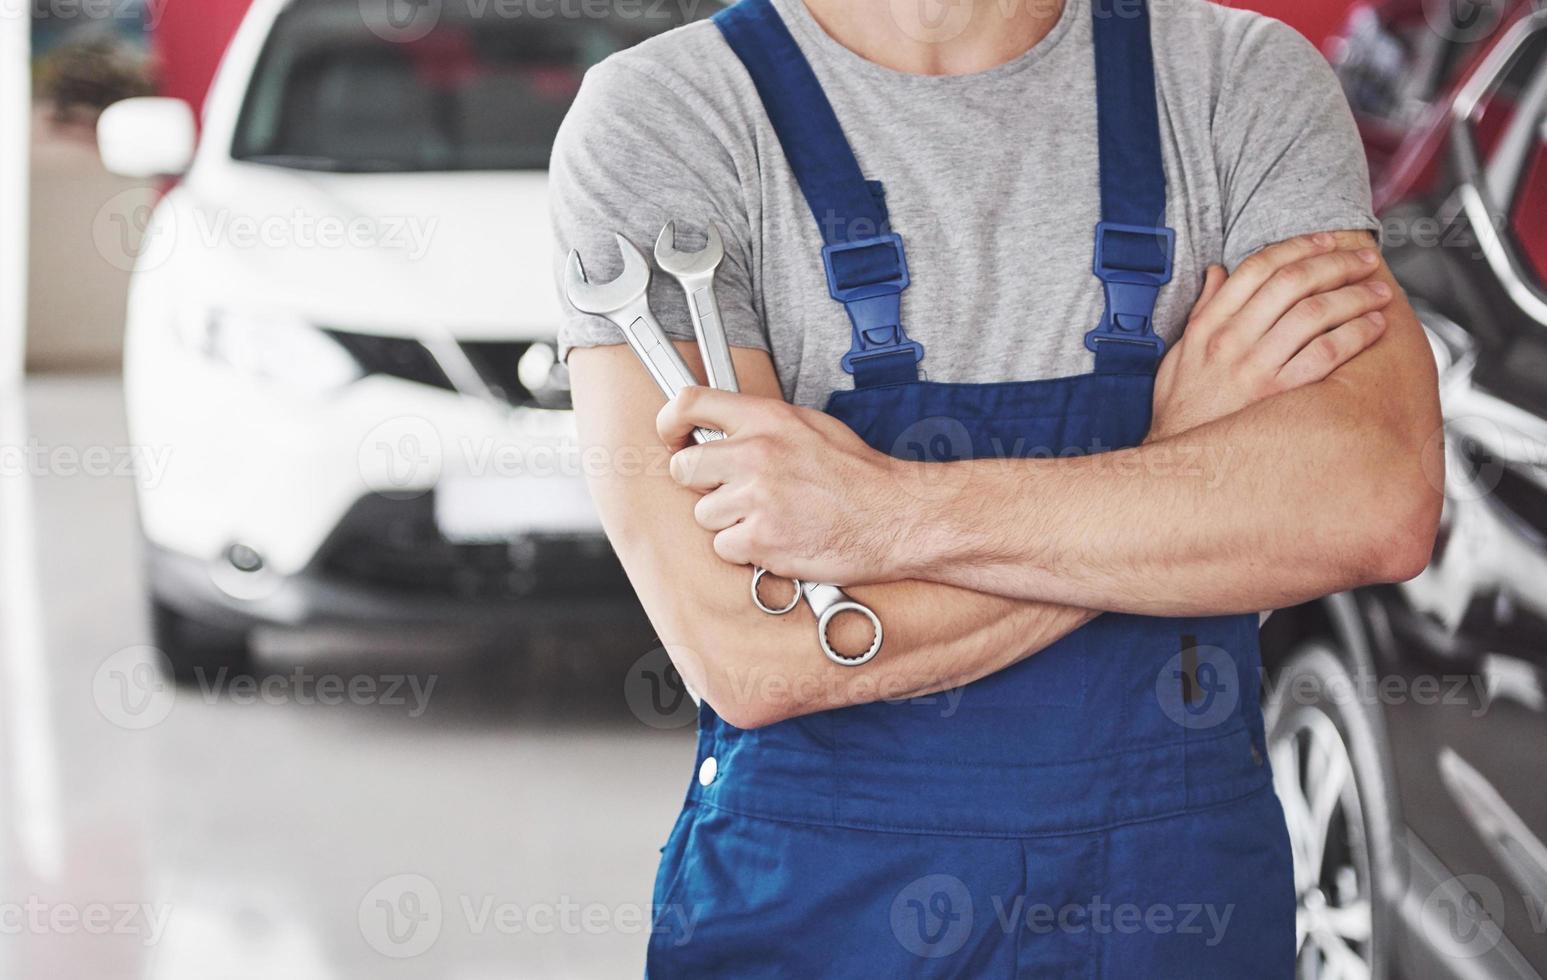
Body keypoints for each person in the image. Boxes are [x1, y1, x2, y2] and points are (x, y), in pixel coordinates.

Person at [550, 0, 1442, 974]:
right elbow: (752, 650)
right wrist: (1177, 456)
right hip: (816, 918)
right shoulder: (663, 117)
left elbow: (1370, 501)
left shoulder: (1239, 83)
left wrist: (881, 513)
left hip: (1176, 913)